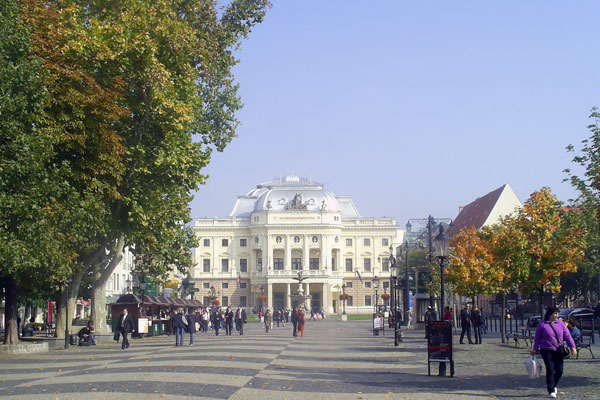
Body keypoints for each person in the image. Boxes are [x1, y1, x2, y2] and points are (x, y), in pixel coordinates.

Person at [531, 306, 577, 398]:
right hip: (546, 350)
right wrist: (534, 349)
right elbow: (537, 338)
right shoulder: (542, 324)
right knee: (550, 369)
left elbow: (567, 336)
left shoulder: (560, 323)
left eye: (557, 313)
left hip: (558, 350)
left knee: (560, 370)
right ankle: (551, 389)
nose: (556, 315)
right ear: (549, 314)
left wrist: (573, 347)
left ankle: (554, 384)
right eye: (554, 313)